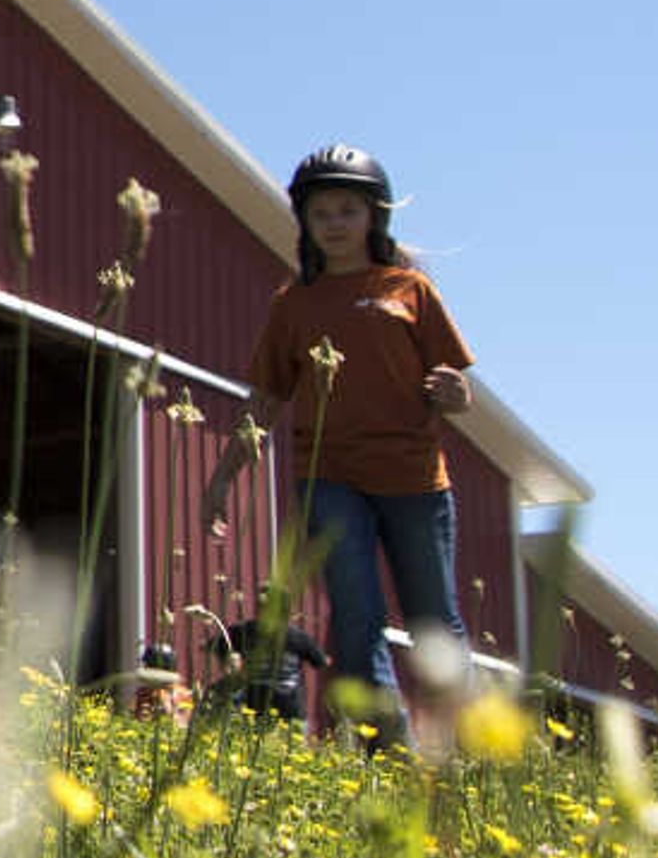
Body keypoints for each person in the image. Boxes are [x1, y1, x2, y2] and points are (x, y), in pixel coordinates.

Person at [198, 145, 477, 743]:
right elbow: (266, 400)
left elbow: (457, 388)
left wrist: (454, 393)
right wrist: (224, 476)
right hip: (331, 476)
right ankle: (389, 744)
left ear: (374, 217)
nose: (334, 224)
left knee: (435, 622)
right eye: (321, 213)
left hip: (414, 478)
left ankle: (467, 749)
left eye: (347, 210)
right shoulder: (293, 304)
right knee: (356, 615)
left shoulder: (410, 290)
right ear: (305, 222)